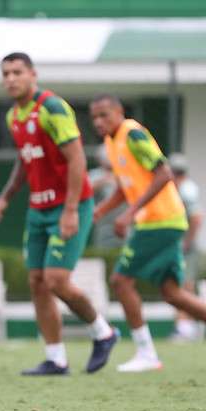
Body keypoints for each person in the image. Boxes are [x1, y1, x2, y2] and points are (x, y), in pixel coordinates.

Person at [0, 52, 117, 376]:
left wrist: (71, 210)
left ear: (33, 74)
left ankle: (103, 331)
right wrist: (5, 199)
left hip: (69, 205)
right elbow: (25, 160)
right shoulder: (14, 116)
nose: (11, 79)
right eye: (6, 73)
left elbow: (77, 160)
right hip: (38, 209)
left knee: (57, 280)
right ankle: (56, 358)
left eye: (17, 72)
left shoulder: (52, 108)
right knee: (37, 282)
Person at [90, 94, 206, 372]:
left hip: (160, 221)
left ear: (119, 112)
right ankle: (147, 353)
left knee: (120, 281)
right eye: (94, 117)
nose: (98, 122)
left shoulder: (133, 134)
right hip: (161, 222)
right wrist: (100, 211)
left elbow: (163, 173)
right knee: (172, 293)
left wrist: (130, 214)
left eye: (104, 114)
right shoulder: (112, 142)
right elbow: (125, 187)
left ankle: (146, 353)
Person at [168, 154, 203, 341]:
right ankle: (183, 325)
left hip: (186, 248)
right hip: (180, 246)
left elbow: (197, 218)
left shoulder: (186, 190)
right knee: (179, 285)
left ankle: (184, 327)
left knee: (185, 286)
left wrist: (186, 243)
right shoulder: (179, 188)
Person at [88, 146, 126, 250]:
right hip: (103, 223)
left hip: (123, 221)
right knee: (103, 252)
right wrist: (104, 181)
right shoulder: (95, 174)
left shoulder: (124, 172)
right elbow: (87, 190)